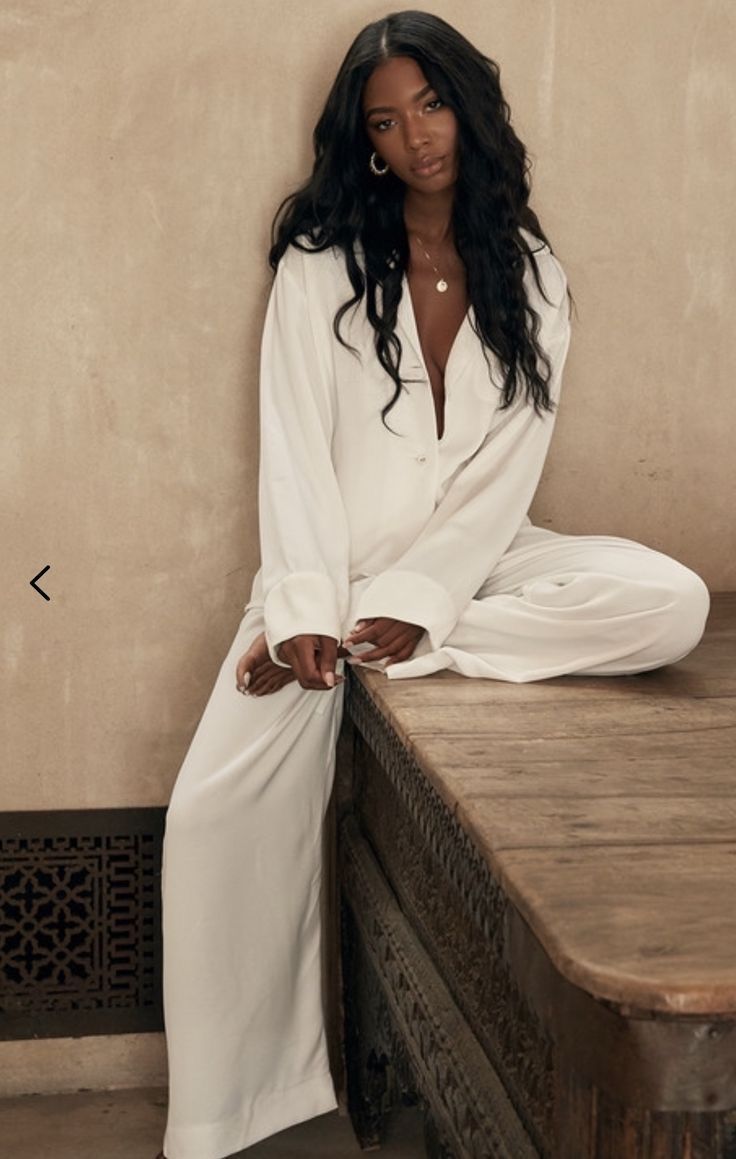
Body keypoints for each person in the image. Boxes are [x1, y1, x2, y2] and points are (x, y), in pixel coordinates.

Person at [157, 10, 710, 1158]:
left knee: (672, 601)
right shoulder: (319, 271)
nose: (416, 136)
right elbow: (294, 453)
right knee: (212, 811)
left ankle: (409, 647)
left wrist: (431, 601)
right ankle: (233, 1113)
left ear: (469, 106)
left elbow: (507, 474)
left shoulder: (534, 274)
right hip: (334, 564)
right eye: (387, 120)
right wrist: (303, 609)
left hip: (475, 556)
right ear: (363, 142)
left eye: (432, 105)